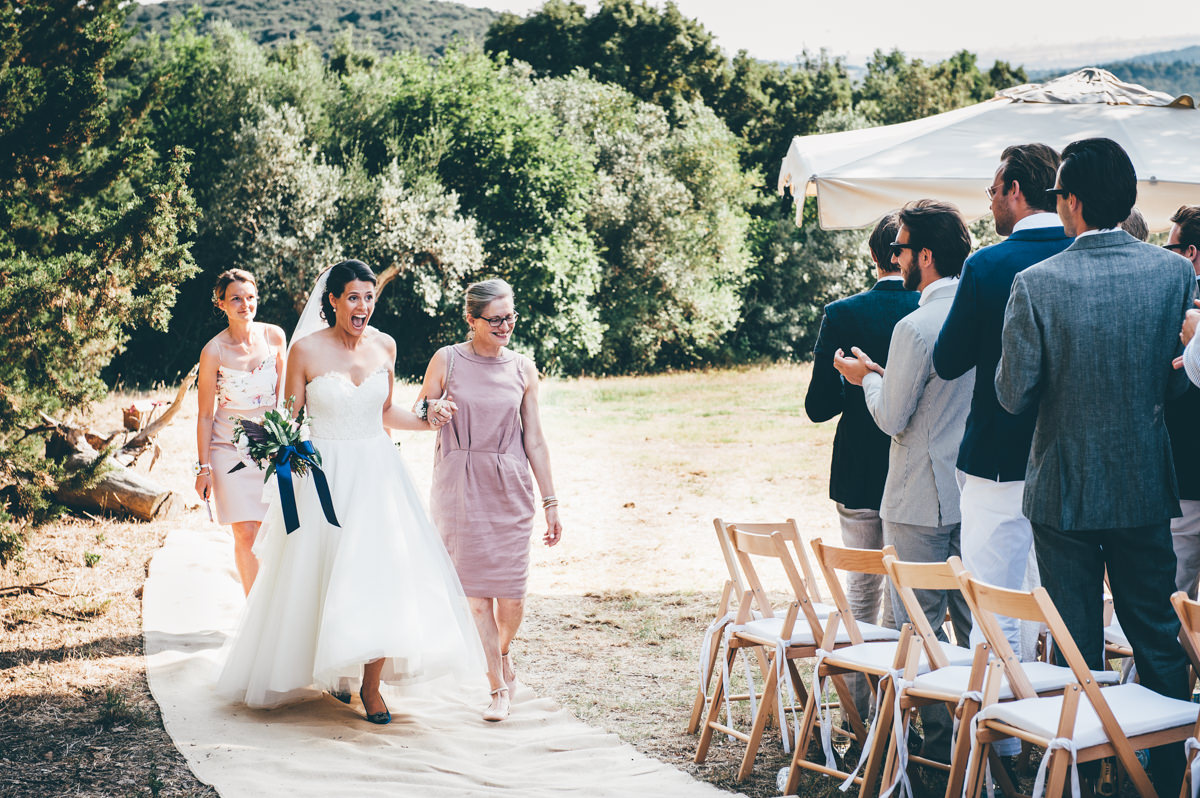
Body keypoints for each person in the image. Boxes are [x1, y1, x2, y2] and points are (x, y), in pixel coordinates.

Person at [996, 138, 1193, 796]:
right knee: (1156, 632)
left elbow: (1012, 394)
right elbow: (1177, 379)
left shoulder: (1036, 283)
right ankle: (1164, 774)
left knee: (1075, 644)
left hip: (1064, 487)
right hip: (1142, 482)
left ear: (1072, 202)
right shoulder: (1173, 275)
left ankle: (1081, 774)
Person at [217, 260, 484, 725]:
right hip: (324, 476)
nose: (363, 306)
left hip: (377, 474)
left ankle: (371, 685)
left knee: (380, 574)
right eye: (354, 297)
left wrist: (428, 418)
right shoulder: (305, 351)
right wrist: (274, 448)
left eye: (369, 297)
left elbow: (384, 412)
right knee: (321, 573)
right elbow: (289, 419)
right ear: (334, 300)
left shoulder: (386, 345)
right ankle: (331, 667)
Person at [833, 199, 974, 763]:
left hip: (918, 495)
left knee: (916, 625)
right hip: (971, 490)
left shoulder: (915, 326)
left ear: (926, 255)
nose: (896, 257)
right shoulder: (980, 311)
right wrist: (886, 377)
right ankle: (983, 742)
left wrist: (865, 379)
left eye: (902, 247)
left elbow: (893, 417)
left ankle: (935, 748)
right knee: (974, 624)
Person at [932, 144, 1071, 669]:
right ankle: (1054, 707)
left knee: (993, 605)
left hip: (999, 459)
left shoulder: (988, 265)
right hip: (1073, 463)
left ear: (1015, 190)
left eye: (993, 190)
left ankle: (1003, 718)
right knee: (1061, 606)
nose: (989, 202)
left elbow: (948, 360)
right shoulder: (1083, 254)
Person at [416, 278, 563, 723]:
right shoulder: (447, 360)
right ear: (472, 319)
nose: (505, 325)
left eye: (510, 316)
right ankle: (497, 687)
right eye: (496, 319)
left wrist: (551, 501)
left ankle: (500, 653)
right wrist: (432, 410)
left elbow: (535, 439)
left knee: (512, 597)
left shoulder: (523, 368)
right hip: (458, 484)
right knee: (476, 597)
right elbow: (419, 410)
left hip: (509, 485)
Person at [804, 213, 918, 717]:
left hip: (857, 471)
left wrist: (847, 380)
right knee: (905, 594)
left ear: (874, 255)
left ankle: (858, 715)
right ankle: (896, 711)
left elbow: (817, 407)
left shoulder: (842, 313)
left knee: (861, 591)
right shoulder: (929, 307)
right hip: (912, 473)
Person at [194, 269, 287, 595]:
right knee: (245, 532)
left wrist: (288, 439)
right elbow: (205, 415)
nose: (245, 304)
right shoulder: (213, 351)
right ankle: (254, 611)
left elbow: (286, 397)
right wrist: (203, 468)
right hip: (228, 448)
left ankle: (275, 603)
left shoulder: (275, 337)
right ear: (221, 303)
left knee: (271, 531)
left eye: (250, 297)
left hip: (272, 446)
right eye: (236, 298)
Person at [1166, 205, 1200, 596]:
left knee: (1173, 604)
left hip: (1185, 477)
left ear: (1190, 252)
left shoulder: (1178, 304)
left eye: (1171, 248)